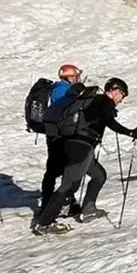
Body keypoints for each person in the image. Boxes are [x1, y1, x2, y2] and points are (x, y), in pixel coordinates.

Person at [32, 77, 137, 235]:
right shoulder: (104, 101)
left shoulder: (91, 101)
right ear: (116, 91)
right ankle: (44, 223)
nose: (121, 100)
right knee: (68, 185)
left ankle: (88, 209)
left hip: (76, 145)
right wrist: (129, 132)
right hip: (81, 147)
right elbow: (109, 121)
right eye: (122, 95)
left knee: (99, 175)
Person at [39, 63, 83, 219]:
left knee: (58, 170)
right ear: (70, 77)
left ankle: (62, 202)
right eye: (77, 76)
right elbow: (66, 107)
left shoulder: (60, 89)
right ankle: (54, 205)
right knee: (60, 169)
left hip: (56, 134)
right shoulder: (62, 90)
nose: (79, 79)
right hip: (59, 135)